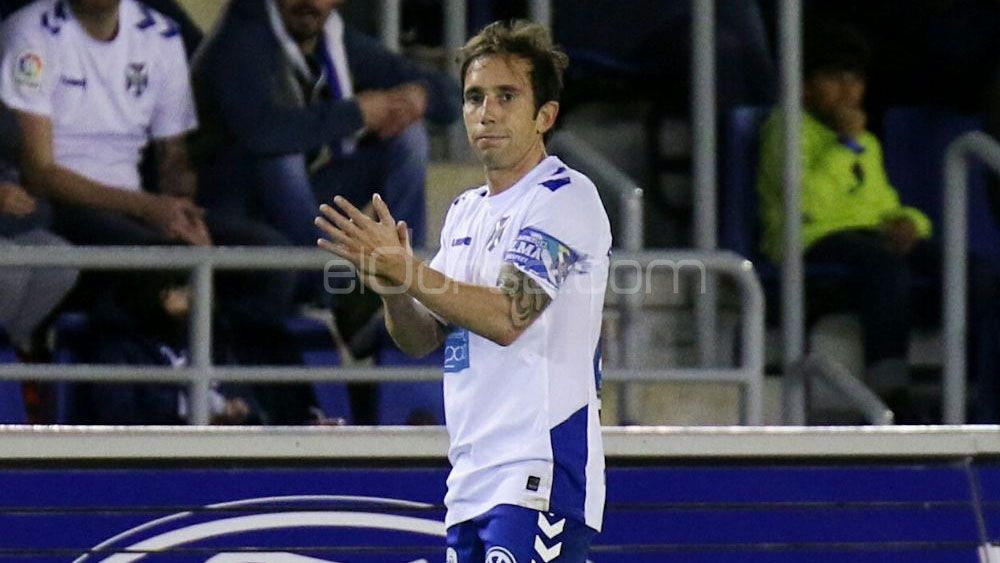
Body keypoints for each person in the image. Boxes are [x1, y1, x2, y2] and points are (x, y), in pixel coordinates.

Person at [317, 20, 609, 561]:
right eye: (474, 96)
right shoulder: (465, 211)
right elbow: (420, 340)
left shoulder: (566, 197)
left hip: (538, 470)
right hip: (471, 477)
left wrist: (410, 270)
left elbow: (508, 317)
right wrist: (394, 291)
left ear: (545, 116)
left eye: (506, 96)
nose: (486, 111)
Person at [757, 20, 1000, 420]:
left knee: (972, 268)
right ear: (803, 85)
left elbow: (882, 201)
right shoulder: (786, 130)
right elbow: (806, 204)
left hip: (870, 237)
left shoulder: (864, 140)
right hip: (809, 240)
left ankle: (977, 383)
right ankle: (891, 389)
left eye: (855, 79)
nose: (848, 90)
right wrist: (844, 145)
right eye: (834, 77)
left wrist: (908, 223)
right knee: (886, 268)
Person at [190, 0, 460, 251]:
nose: (309, 2)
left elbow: (452, 95)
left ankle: (405, 277)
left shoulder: (335, 39)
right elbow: (261, 132)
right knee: (283, 158)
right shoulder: (242, 34)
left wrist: (422, 96)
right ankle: (320, 283)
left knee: (409, 138)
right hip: (228, 204)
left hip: (298, 205)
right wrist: (356, 113)